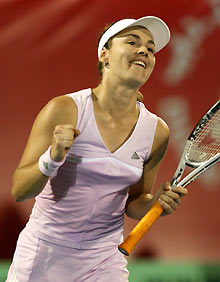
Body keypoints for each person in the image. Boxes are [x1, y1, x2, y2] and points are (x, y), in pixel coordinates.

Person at [6, 16, 188, 282]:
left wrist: (155, 203)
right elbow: (21, 191)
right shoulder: (64, 109)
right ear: (105, 55)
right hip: (43, 254)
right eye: (132, 42)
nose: (144, 51)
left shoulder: (157, 131)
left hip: (103, 261)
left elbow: (134, 203)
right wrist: (52, 158)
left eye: (150, 49)